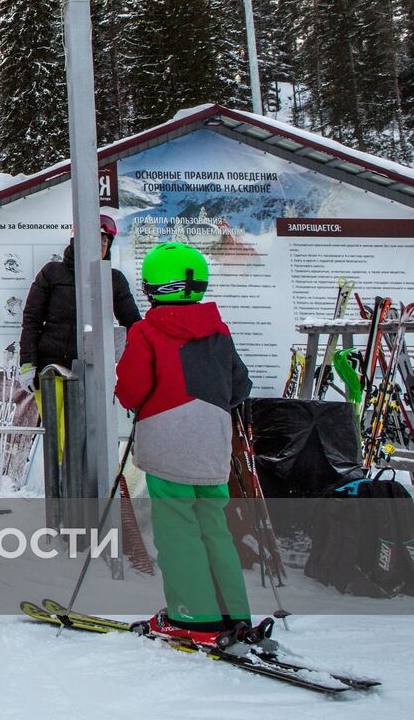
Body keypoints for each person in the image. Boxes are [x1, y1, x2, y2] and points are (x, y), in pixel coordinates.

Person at [115, 242, 261, 646]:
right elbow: (240, 386)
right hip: (213, 442)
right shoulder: (219, 330)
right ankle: (233, 612)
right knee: (214, 527)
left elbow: (131, 390)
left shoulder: (146, 331)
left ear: (153, 287)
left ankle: (193, 617)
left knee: (177, 529)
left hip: (168, 443)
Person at [19, 213, 141, 404]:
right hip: (52, 370)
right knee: (58, 431)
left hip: (95, 373)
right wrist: (28, 364)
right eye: (94, 240)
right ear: (77, 241)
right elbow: (32, 321)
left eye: (104, 241)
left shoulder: (113, 279)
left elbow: (133, 325)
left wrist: (137, 365)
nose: (100, 246)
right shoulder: (52, 273)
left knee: (94, 429)